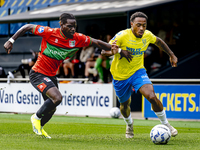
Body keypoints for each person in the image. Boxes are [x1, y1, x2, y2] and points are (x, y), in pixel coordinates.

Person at [4, 13, 131, 139]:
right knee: (57, 98)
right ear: (61, 25)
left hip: (51, 76)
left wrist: (120, 51)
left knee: (52, 108)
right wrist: (11, 40)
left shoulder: (77, 38)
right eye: (69, 26)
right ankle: (35, 118)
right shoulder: (49, 32)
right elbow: (27, 27)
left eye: (74, 26)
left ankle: (39, 128)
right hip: (38, 73)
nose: (73, 29)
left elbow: (97, 42)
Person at [101, 12, 178, 138]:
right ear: (132, 24)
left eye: (144, 25)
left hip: (138, 72)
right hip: (120, 76)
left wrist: (171, 54)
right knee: (125, 105)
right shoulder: (122, 36)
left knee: (152, 96)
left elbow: (159, 41)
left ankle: (166, 124)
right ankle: (129, 124)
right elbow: (104, 50)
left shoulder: (147, 35)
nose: (142, 28)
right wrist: (118, 51)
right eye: (138, 25)